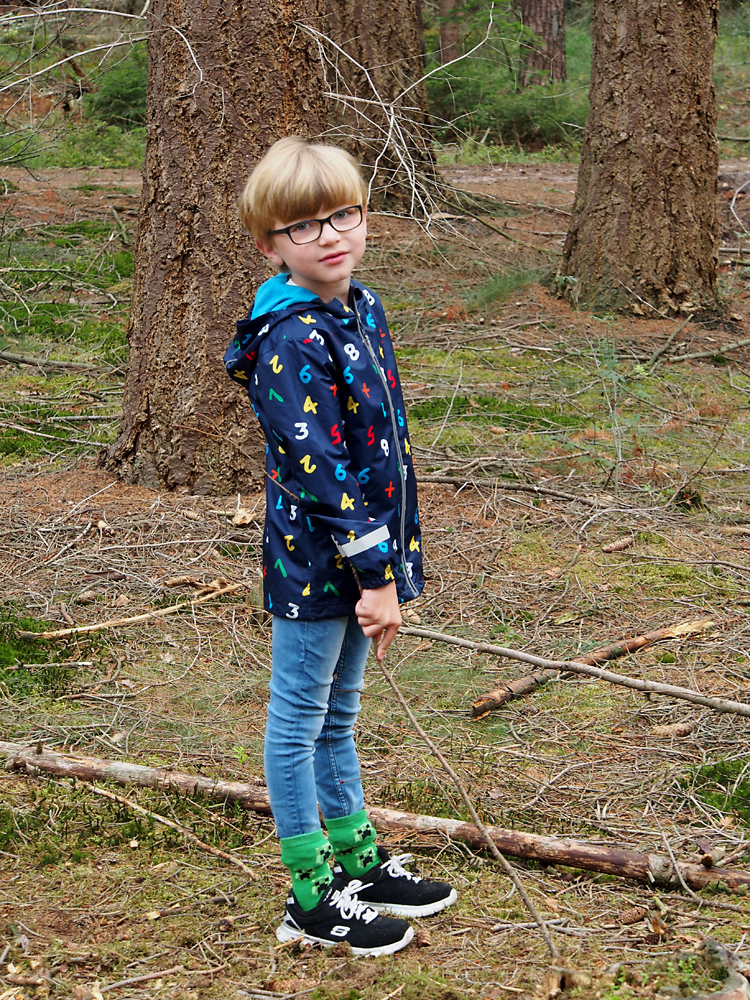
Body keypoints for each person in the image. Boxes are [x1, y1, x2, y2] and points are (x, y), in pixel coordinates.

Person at [224, 137, 457, 957]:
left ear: (364, 218)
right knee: (299, 718)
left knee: (340, 714)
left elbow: (380, 440)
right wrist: (373, 576)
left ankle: (355, 863)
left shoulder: (364, 308)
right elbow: (320, 471)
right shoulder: (289, 338)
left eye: (344, 215)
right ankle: (310, 893)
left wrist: (391, 563)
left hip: (372, 556)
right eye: (304, 226)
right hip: (319, 561)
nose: (330, 235)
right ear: (270, 245)